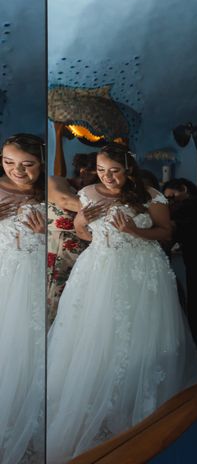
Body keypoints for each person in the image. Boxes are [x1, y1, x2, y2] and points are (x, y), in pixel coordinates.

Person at [46, 144, 197, 463]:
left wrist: (132, 230)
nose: (107, 176)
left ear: (128, 169)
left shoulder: (151, 195)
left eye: (114, 170)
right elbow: (84, 233)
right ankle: (95, 395)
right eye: (102, 170)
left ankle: (138, 398)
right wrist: (82, 222)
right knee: (96, 333)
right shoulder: (88, 192)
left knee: (138, 332)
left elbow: (165, 233)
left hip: (141, 270)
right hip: (99, 269)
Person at [0, 134, 46, 463]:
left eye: (27, 165)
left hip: (33, 279)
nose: (17, 170)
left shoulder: (51, 191)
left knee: (27, 345)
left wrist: (49, 231)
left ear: (41, 163)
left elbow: (76, 233)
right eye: (7, 162)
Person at [163, 178, 197, 362]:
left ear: (184, 188)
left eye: (172, 196)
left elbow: (175, 232)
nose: (171, 201)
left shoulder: (188, 207)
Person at [47, 152, 98, 324]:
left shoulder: (98, 193)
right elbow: (65, 201)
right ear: (83, 170)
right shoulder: (57, 182)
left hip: (86, 258)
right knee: (53, 301)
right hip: (57, 254)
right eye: (100, 171)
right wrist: (111, 204)